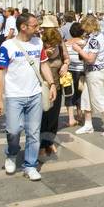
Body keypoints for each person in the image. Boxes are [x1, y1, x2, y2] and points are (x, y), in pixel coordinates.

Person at [0, 11, 57, 181]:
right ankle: (12, 153)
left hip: (35, 93)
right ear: (23, 27)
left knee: (33, 132)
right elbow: (0, 73)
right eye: (35, 25)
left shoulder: (38, 43)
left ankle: (30, 165)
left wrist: (51, 84)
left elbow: (44, 65)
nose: (38, 28)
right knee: (13, 130)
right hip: (14, 95)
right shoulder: (7, 46)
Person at [74, 14, 104, 136]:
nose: (82, 29)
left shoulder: (94, 39)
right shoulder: (96, 36)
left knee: (98, 98)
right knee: (86, 97)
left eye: (84, 26)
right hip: (92, 71)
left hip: (95, 71)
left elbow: (90, 59)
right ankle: (88, 124)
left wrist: (78, 50)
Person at [38, 22, 68, 159]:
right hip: (42, 87)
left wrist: (65, 65)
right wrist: (44, 54)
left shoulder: (60, 45)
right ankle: (41, 146)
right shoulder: (38, 46)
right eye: (50, 44)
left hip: (57, 86)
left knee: (54, 117)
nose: (53, 46)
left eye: (55, 44)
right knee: (43, 117)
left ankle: (49, 142)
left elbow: (67, 59)